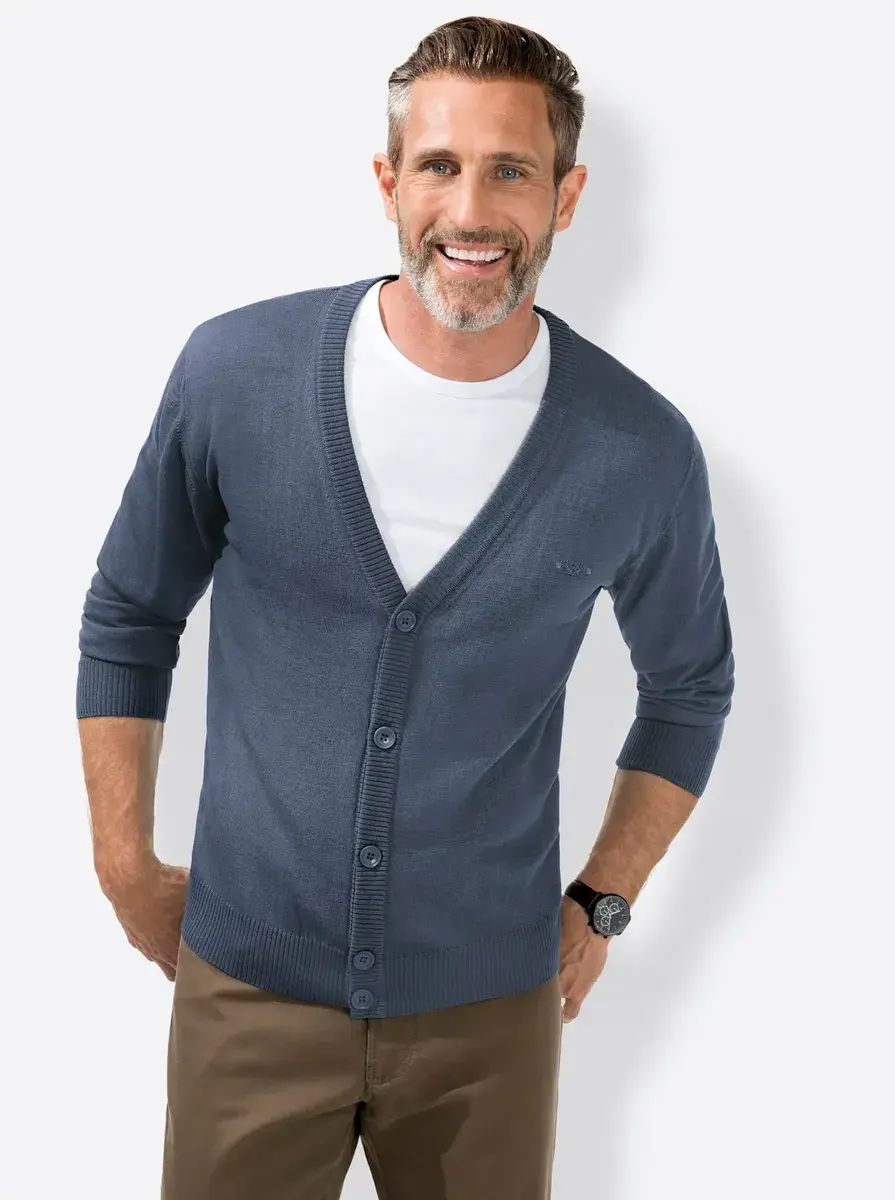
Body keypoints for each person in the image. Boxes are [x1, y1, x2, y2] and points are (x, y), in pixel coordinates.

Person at [76, 15, 735, 1200]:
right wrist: (126, 867)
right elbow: (130, 614)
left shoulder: (635, 449)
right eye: (439, 165)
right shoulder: (235, 374)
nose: (470, 210)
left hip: (492, 1019)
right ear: (388, 182)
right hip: (246, 995)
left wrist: (603, 897)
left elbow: (689, 687)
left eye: (510, 170)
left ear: (566, 194)